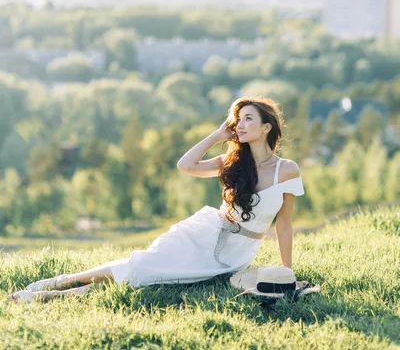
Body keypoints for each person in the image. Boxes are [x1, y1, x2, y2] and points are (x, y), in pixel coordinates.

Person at [9, 96, 304, 302]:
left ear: (267, 127)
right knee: (141, 267)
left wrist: (286, 271)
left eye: (248, 119)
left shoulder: (287, 171)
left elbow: (284, 226)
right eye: (237, 120)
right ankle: (59, 284)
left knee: (150, 277)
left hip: (236, 253)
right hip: (204, 234)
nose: (239, 125)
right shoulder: (230, 161)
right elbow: (185, 165)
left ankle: (54, 294)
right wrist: (216, 135)